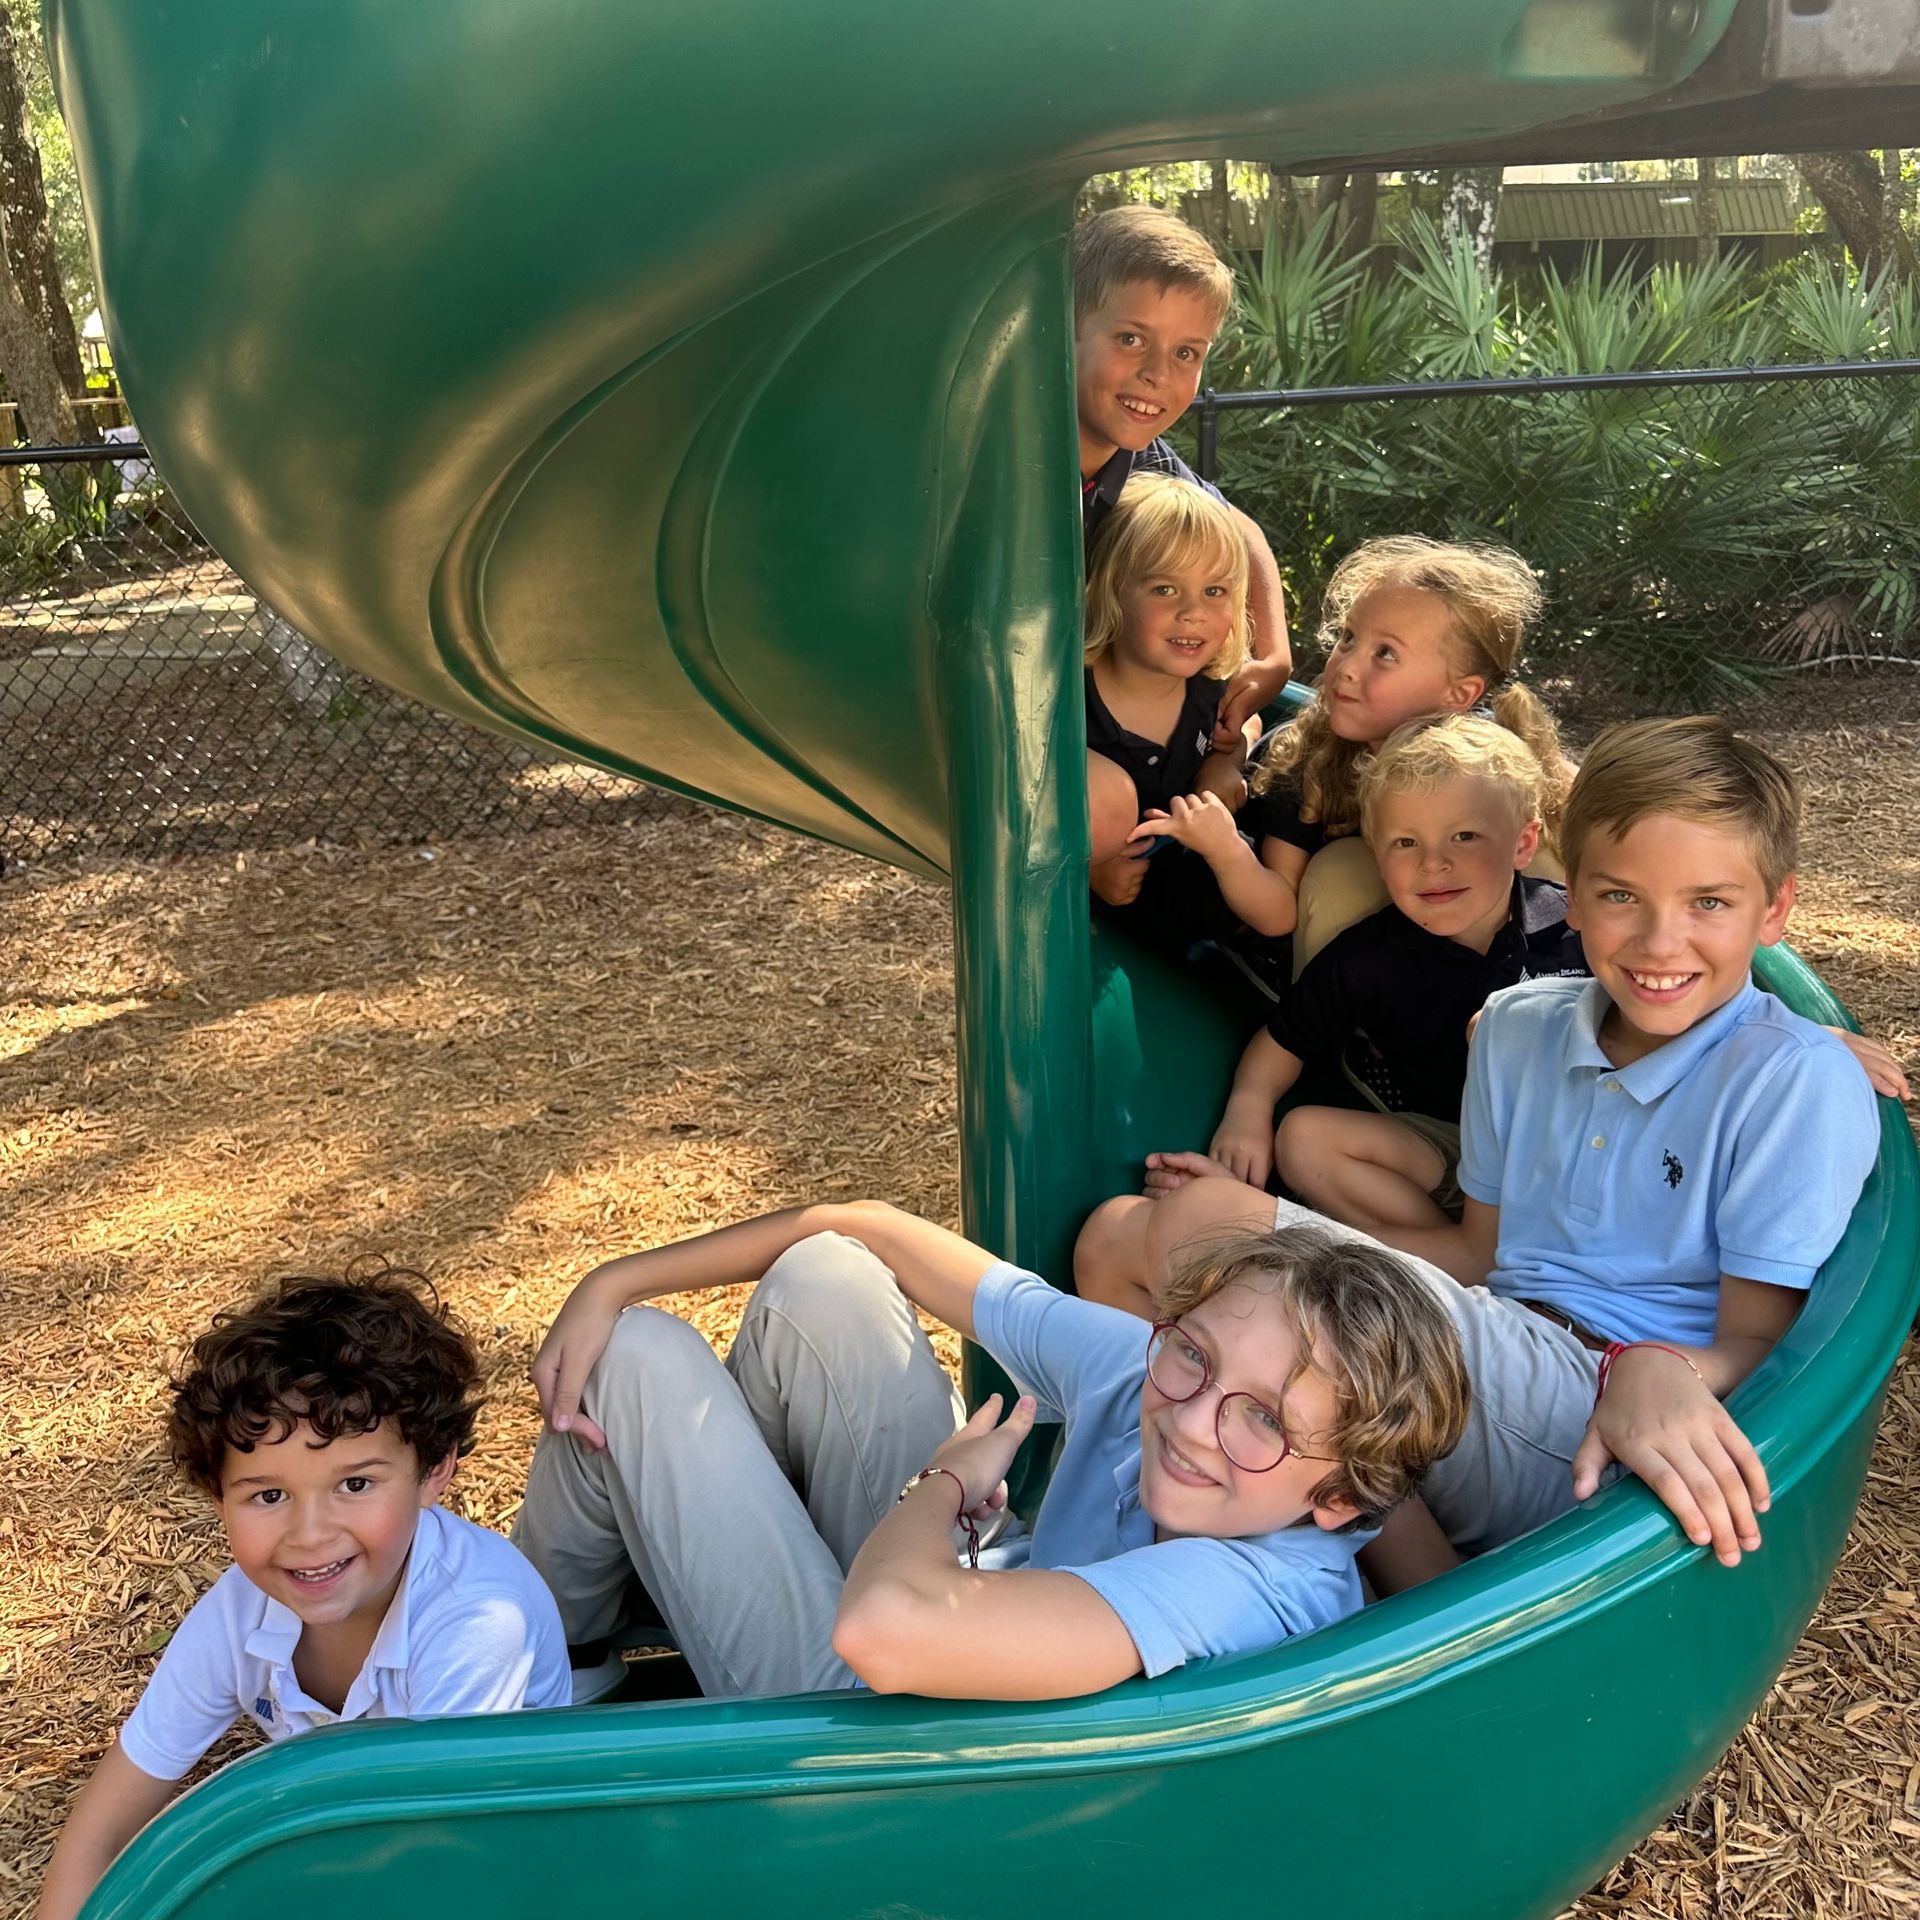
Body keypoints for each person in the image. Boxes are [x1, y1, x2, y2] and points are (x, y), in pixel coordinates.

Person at [1077, 717, 1892, 1579]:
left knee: (1203, 1229)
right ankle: (1313, 1573)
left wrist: (1647, 1367)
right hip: (1489, 1351)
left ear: (1775, 910)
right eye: (1621, 897)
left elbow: (1762, 1349)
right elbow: (1479, 1253)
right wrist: (1280, 1235)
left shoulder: (1794, 1083)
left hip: (1605, 1412)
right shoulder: (1514, 1028)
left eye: (1709, 904)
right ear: (1570, 898)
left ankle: (1258, 1580)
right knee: (1124, 1234)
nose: (1660, 942)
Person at [514, 1203, 1467, 1702]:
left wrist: (940, 1488)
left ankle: (540, 1656)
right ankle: (628, 1601)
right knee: (829, 1277)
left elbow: (884, 1631)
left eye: (1261, 1418)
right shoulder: (1153, 1380)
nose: (1189, 1418)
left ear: (1340, 1499)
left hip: (903, 1753)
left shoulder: (1249, 1587)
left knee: (637, 1360)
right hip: (966, 1620)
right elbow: (866, 1226)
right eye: (1193, 1354)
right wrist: (613, 1275)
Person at [34, 1271, 569, 1920]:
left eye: (355, 1485)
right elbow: (100, 1830)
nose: (309, 1536)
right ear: (218, 1499)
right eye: (268, 1495)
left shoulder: (479, 1619)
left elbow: (435, 1866)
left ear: (434, 1471)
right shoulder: (238, 1612)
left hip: (500, 1866)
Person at [1082, 717, 1585, 1318]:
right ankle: (1458, 1277)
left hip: (1578, 1152)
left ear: (1524, 844)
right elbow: (1282, 1040)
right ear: (1377, 852)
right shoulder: (1371, 956)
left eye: (1465, 838)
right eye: (1406, 843)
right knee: (1304, 1137)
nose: (1433, 864)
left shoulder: (1574, 933)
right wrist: (1248, 1111)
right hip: (1460, 1154)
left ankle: (1435, 1267)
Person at [1139, 535, 1573, 971]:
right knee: (1342, 876)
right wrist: (1225, 848)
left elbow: (1569, 793)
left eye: (1385, 654)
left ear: (1459, 694)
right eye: (1348, 638)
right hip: (1265, 943)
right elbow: (1277, 910)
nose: (1345, 666)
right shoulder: (1308, 764)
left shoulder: (1488, 757)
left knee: (1540, 852)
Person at [1072, 206, 1291, 744]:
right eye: (1130, 339)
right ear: (1064, 330)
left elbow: (1238, 529)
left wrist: (1275, 656)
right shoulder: (1011, 460)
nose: (1157, 374)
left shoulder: (1141, 459)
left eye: (1186, 352)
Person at [1083, 473, 1255, 908]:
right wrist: (1091, 868)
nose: (1194, 612)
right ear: (1113, 590)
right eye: (1165, 589)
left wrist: (1226, 760)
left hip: (1193, 892)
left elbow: (1248, 720)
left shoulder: (1209, 686)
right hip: (1099, 922)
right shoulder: (1071, 700)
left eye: (1215, 591)